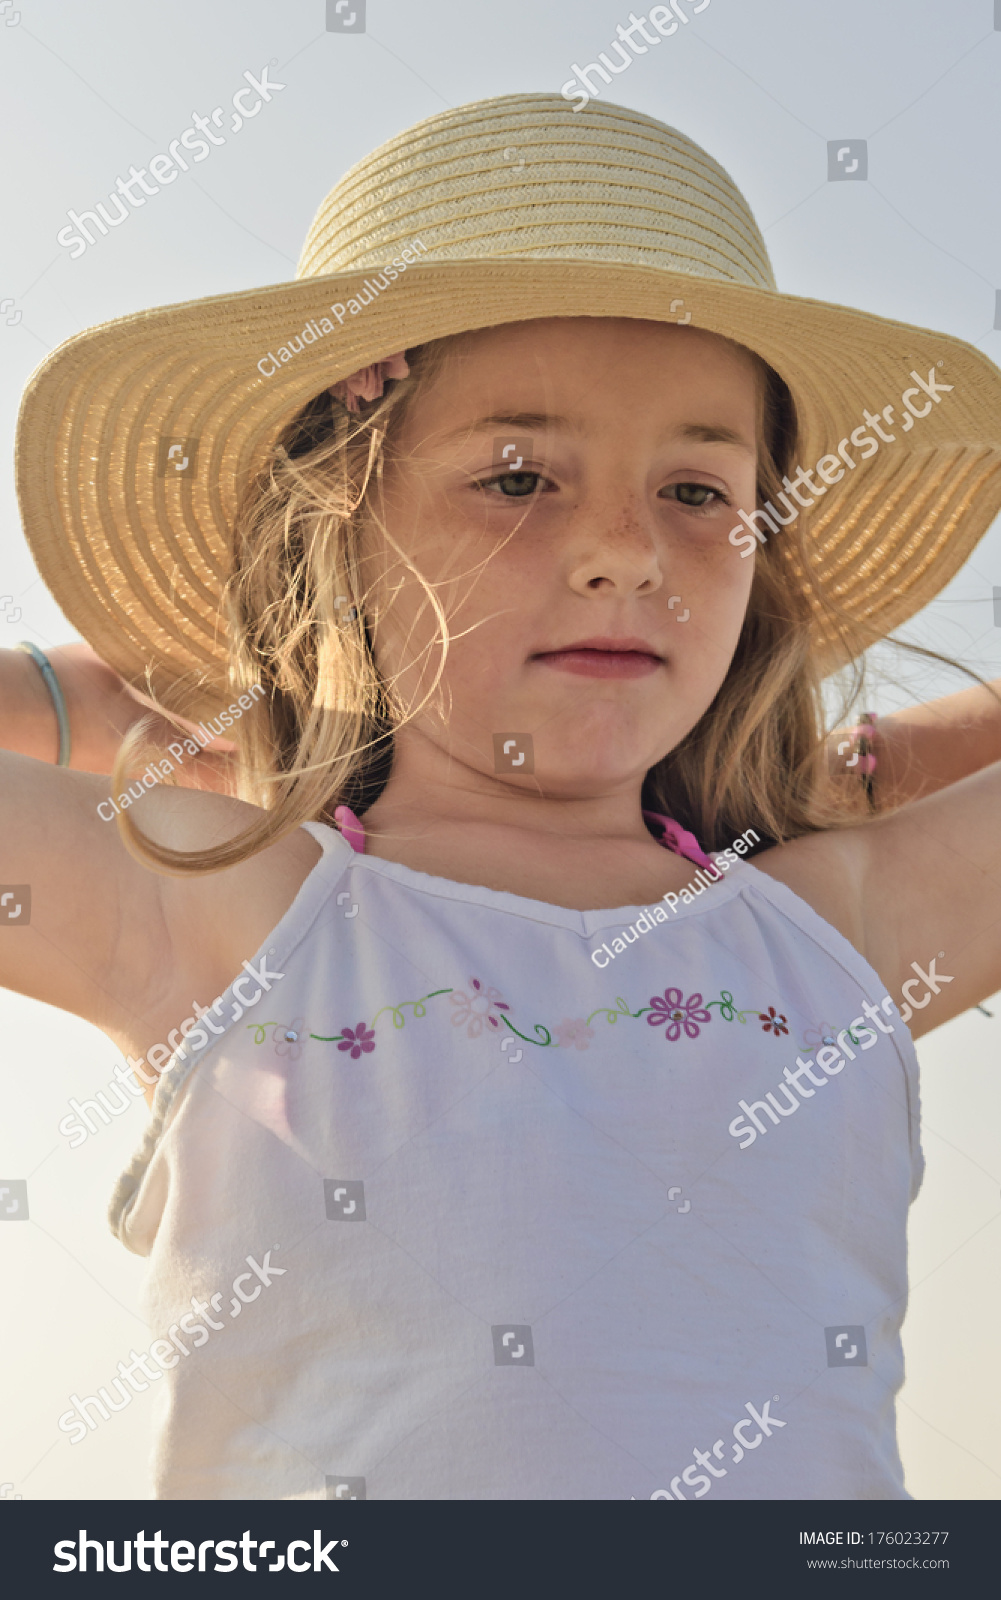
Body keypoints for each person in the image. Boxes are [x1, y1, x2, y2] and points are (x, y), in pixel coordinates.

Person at [4, 92, 1001, 1500]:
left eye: (700, 493)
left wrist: (863, 769)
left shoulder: (839, 923)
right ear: (334, 533)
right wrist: (86, 698)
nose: (618, 550)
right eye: (517, 475)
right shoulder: (217, 901)